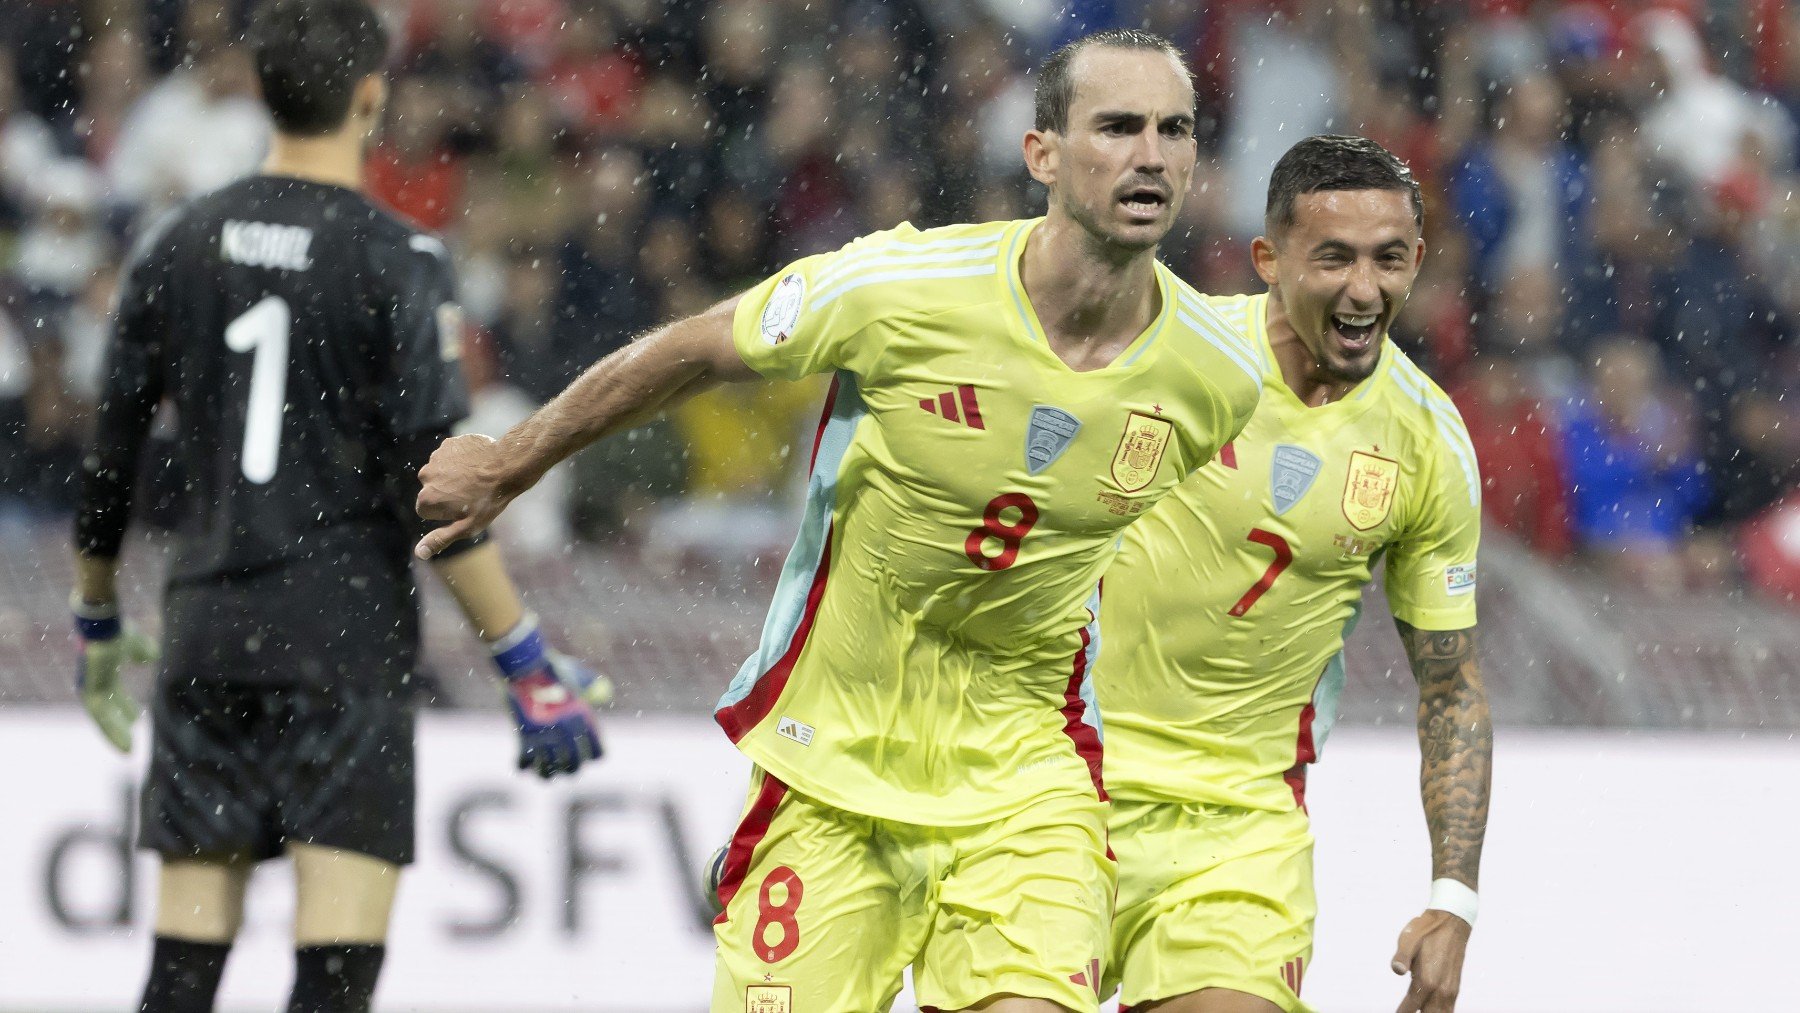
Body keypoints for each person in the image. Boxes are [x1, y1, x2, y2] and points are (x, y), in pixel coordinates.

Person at [415, 28, 1265, 1013]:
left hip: (1026, 783)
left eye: (1175, 130)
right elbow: (694, 349)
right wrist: (508, 463)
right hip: (828, 767)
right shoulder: (903, 289)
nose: (1152, 154)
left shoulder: (1217, 376)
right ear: (1042, 155)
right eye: (1117, 126)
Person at [69, 3, 608, 1012]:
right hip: (343, 642)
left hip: (206, 633)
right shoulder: (396, 258)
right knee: (335, 974)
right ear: (372, 95)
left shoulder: (178, 242)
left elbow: (109, 460)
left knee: (181, 973)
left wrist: (98, 614)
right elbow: (437, 489)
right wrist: (523, 655)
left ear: (264, 92)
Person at [1095, 136, 1493, 1013]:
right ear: (1268, 260)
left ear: (1418, 262)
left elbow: (1451, 685)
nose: (1365, 288)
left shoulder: (1428, 440)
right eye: (1335, 258)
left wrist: (1452, 897)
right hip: (1057, 782)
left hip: (1239, 826)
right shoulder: (1164, 353)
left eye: (1389, 259)